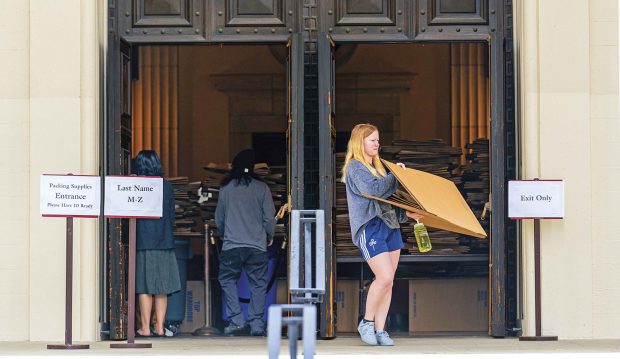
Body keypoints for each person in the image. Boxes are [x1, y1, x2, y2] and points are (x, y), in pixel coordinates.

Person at [342, 124, 422, 346]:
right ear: (360, 142)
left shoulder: (378, 169)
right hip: (371, 227)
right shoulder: (356, 168)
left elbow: (386, 203)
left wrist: (407, 214)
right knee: (384, 277)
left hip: (391, 226)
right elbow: (375, 191)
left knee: (389, 282)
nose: (377, 144)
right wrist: (396, 174)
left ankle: (380, 329)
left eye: (378, 140)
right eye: (372, 140)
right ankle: (366, 322)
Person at [216, 149, 276, 336]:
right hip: (256, 245)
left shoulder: (226, 189)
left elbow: (220, 217)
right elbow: (269, 218)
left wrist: (221, 233)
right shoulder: (262, 188)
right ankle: (257, 323)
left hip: (232, 244)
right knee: (258, 284)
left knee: (227, 280)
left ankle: (236, 320)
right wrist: (269, 235)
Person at [133, 150, 181, 337]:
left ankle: (145, 328)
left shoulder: (136, 186)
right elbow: (171, 215)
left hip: (144, 240)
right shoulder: (167, 187)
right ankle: (160, 327)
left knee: (145, 286)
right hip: (164, 241)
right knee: (163, 286)